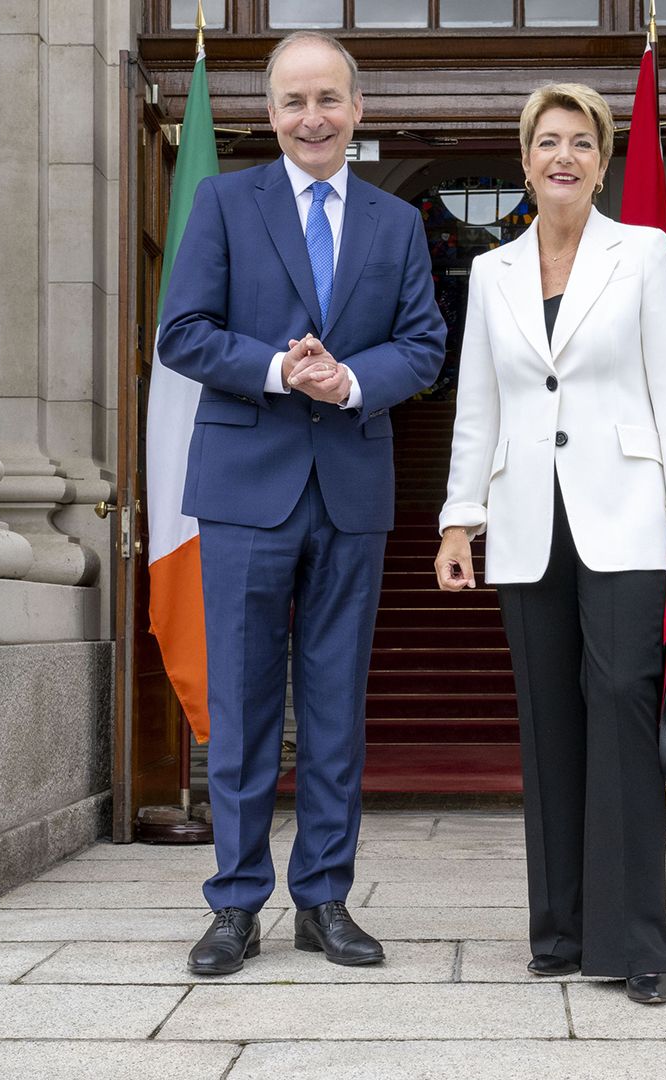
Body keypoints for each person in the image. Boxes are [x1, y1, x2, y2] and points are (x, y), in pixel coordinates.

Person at [159, 31, 447, 976]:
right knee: (242, 708)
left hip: (351, 491)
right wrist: (281, 370)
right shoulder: (222, 202)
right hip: (246, 490)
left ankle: (324, 900)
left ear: (357, 109)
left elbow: (423, 345)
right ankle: (235, 906)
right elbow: (184, 334)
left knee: (334, 708)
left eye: (328, 99)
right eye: (293, 102)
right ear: (270, 114)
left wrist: (350, 383)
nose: (312, 117)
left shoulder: (395, 223)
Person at [434, 83, 666, 1006]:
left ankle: (639, 942)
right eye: (547, 142)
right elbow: (478, 404)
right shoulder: (492, 273)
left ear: (603, 162)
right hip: (525, 523)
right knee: (548, 723)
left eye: (582, 143)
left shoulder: (641, 254)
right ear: (525, 163)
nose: (564, 156)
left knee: (624, 703)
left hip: (628, 512)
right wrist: (457, 518)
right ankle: (558, 932)